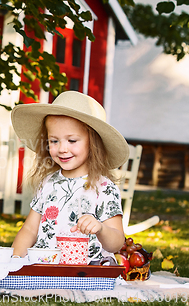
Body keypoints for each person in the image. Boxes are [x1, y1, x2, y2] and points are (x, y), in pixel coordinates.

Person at [10, 91, 128, 263]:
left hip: (87, 270)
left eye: (72, 141)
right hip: (46, 266)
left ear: (93, 144)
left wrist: (101, 228)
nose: (62, 149)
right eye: (54, 141)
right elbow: (29, 229)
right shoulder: (49, 183)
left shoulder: (103, 187)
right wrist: (14, 260)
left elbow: (117, 243)